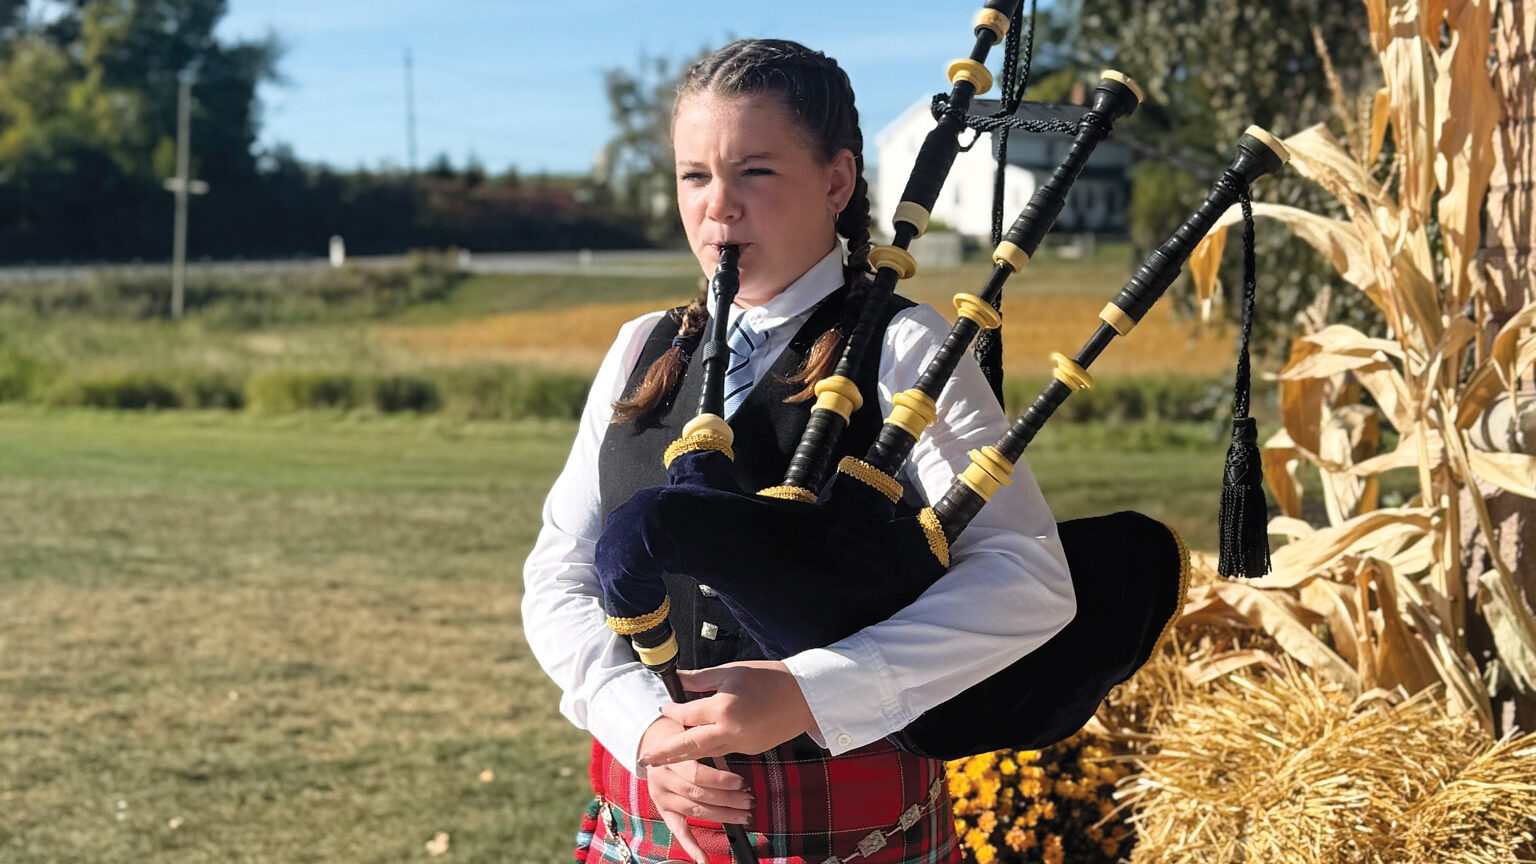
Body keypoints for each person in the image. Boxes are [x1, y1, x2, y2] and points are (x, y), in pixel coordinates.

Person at [522, 38, 1074, 864]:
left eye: (756, 172)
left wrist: (810, 694)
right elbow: (559, 571)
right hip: (648, 811)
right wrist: (644, 726)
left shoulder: (903, 346)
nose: (719, 208)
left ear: (837, 182)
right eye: (694, 176)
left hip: (840, 817)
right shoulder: (641, 346)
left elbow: (1027, 576)